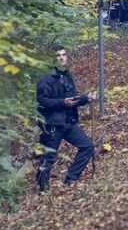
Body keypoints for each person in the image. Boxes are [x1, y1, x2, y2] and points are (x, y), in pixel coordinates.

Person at [35, 45, 99, 191]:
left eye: (64, 55)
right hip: (53, 124)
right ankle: (42, 189)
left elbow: (71, 99)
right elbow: (42, 101)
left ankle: (71, 179)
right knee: (49, 157)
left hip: (69, 122)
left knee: (87, 146)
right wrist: (62, 103)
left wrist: (86, 98)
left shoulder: (66, 74)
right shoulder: (45, 77)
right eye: (58, 56)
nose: (62, 58)